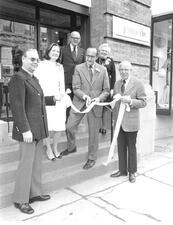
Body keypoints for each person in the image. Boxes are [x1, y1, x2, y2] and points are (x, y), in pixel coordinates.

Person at [9, 49, 52, 214]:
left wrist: (53, 99)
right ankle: (20, 200)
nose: (35, 62)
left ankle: (34, 193)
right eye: (32, 59)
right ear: (24, 59)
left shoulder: (33, 78)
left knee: (36, 165)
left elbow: (35, 101)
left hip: (38, 128)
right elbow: (18, 107)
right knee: (25, 165)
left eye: (37, 60)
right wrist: (24, 130)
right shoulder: (18, 78)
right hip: (28, 131)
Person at [60, 47, 110, 169]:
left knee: (93, 133)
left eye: (92, 56)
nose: (89, 58)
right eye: (87, 56)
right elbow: (75, 88)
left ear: (96, 56)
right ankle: (72, 147)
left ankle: (92, 158)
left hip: (95, 104)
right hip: (79, 102)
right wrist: (85, 96)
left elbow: (106, 90)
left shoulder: (103, 70)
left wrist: (98, 98)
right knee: (69, 126)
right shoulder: (78, 68)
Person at [110, 61, 146, 183]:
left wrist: (130, 101)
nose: (124, 72)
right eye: (121, 70)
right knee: (120, 147)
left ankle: (132, 172)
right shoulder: (117, 83)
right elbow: (116, 99)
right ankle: (122, 170)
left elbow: (143, 102)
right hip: (119, 122)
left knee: (131, 147)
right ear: (119, 71)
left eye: (126, 69)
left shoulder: (138, 83)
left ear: (130, 70)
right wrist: (113, 101)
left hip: (131, 122)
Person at [34, 43, 67, 161]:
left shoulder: (60, 66)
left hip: (58, 99)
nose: (55, 53)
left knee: (59, 126)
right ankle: (48, 148)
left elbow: (62, 83)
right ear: (48, 51)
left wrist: (63, 95)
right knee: (48, 126)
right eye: (53, 51)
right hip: (46, 99)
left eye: (57, 52)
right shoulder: (41, 64)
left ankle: (55, 147)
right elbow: (37, 82)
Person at [61, 31, 85, 119]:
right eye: (74, 38)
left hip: (78, 82)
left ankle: (73, 121)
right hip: (66, 80)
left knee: (77, 102)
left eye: (78, 38)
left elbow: (84, 67)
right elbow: (59, 65)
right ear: (70, 38)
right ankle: (66, 121)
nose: (76, 40)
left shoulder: (83, 51)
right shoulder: (62, 49)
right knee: (67, 102)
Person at [96, 43, 116, 135]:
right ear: (99, 51)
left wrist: (112, 89)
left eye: (106, 51)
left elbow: (114, 76)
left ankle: (103, 127)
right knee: (97, 107)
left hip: (107, 88)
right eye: (102, 50)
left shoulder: (111, 62)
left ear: (108, 53)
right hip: (97, 88)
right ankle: (97, 126)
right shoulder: (96, 61)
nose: (104, 52)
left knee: (105, 108)